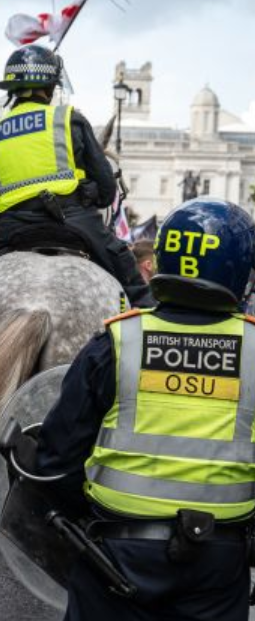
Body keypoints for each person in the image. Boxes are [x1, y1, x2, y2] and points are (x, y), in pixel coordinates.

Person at [31, 198, 255, 620]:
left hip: (114, 556)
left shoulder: (116, 342)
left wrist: (85, 519)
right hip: (219, 565)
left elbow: (56, 457)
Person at [0, 44, 151, 306]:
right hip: (75, 221)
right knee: (131, 282)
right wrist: (89, 191)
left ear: (11, 90)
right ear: (52, 86)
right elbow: (107, 191)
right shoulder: (68, 119)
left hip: (12, 228)